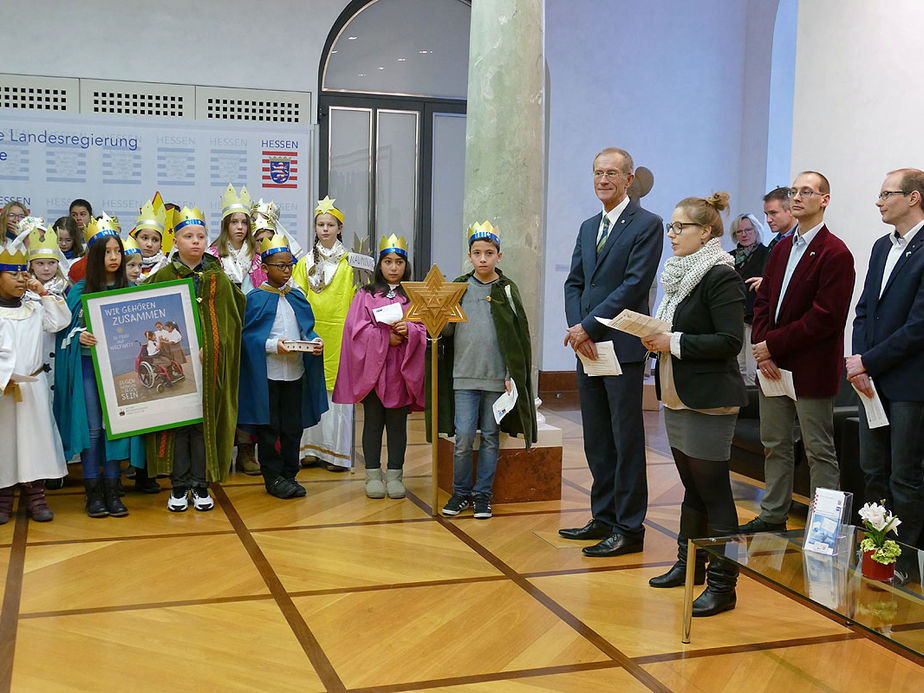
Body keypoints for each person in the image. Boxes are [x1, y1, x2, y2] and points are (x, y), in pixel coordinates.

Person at [641, 193, 747, 616]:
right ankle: (690, 566)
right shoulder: (678, 276)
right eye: (670, 226)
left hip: (709, 401)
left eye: (679, 227)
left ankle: (725, 586)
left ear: (705, 231)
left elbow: (729, 342)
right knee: (693, 489)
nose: (671, 234)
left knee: (716, 493)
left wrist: (673, 341)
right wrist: (654, 337)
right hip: (677, 394)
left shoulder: (721, 275)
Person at [559, 147, 663, 556]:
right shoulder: (588, 227)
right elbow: (574, 283)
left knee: (626, 439)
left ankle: (629, 527)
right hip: (588, 348)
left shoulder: (647, 225)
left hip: (621, 346)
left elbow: (634, 285)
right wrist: (577, 328)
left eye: (611, 173)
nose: (603, 180)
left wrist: (586, 325)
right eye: (598, 173)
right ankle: (602, 517)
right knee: (597, 438)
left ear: (628, 178)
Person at [739, 172, 855, 533]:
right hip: (772, 365)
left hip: (810, 367)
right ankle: (774, 513)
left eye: (807, 191)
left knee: (819, 450)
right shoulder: (781, 248)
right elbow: (764, 301)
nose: (797, 197)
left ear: (825, 200)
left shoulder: (836, 252)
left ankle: (825, 527)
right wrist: (763, 349)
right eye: (794, 191)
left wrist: (772, 344)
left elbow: (825, 318)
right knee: (774, 442)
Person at [145, 206, 245, 512]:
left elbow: (232, 318)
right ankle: (179, 485)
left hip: (208, 368)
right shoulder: (163, 276)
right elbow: (151, 319)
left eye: (201, 236)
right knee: (179, 425)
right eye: (188, 236)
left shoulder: (218, 276)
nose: (196, 242)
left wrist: (214, 347)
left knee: (203, 425)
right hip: (177, 366)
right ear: (175, 242)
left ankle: (201, 485)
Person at [437, 221, 536, 520]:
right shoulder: (459, 286)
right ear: (469, 255)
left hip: (496, 379)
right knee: (465, 437)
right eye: (477, 253)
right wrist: (442, 321)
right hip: (463, 376)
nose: (483, 259)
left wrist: (510, 374)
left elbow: (517, 337)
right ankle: (460, 493)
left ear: (499, 256)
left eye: (489, 253)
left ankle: (483, 496)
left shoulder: (507, 290)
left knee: (490, 436)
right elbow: (447, 335)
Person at [848, 168, 924, 550]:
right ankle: (874, 549)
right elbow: (864, 311)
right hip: (871, 379)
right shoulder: (881, 246)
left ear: (913, 198)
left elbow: (919, 325)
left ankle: (906, 559)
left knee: (905, 476)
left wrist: (869, 362)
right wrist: (858, 359)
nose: (878, 201)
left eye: (886, 194)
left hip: (910, 382)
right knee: (872, 471)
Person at [333, 234, 426, 499]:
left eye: (398, 262)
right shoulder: (365, 294)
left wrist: (409, 330)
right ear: (380, 265)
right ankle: (372, 474)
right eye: (388, 261)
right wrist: (386, 337)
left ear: (406, 265)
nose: (393, 267)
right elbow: (354, 330)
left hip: (400, 372)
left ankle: (396, 473)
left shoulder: (413, 297)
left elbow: (424, 328)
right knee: (373, 424)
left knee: (398, 427)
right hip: (373, 372)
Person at [54, 214, 135, 517]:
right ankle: (93, 492)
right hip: (89, 368)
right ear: (94, 255)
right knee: (92, 431)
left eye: (117, 251)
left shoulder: (132, 289)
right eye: (107, 252)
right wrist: (80, 335)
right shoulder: (78, 291)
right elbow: (64, 335)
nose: (114, 257)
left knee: (115, 427)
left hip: (118, 369)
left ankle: (113, 489)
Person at [238, 234, 327, 499]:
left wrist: (314, 341)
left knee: (292, 428)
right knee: (270, 429)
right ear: (265, 268)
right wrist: (274, 345)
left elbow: (306, 328)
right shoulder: (254, 298)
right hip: (269, 376)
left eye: (289, 265)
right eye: (280, 265)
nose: (287, 270)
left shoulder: (297, 296)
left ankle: (290, 474)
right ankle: (273, 477)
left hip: (295, 374)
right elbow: (249, 337)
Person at [0, 232, 70, 524]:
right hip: (4, 390)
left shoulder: (34, 305)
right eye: (11, 274)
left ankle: (36, 497)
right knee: (5, 444)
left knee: (35, 442)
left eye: (22, 273)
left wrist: (42, 292)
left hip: (33, 387)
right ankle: (3, 499)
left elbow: (59, 321)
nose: (19, 279)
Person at [292, 197, 356, 472]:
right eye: (321, 224)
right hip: (312, 333)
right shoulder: (305, 262)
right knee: (310, 387)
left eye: (330, 224)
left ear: (340, 228)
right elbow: (296, 296)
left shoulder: (351, 262)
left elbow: (359, 297)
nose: (325, 229)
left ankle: (335, 453)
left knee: (338, 392)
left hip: (342, 335)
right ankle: (309, 450)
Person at [730, 213, 770, 382]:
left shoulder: (766, 253)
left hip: (755, 317)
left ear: (756, 230)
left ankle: (751, 405)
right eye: (739, 231)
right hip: (734, 316)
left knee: (752, 367)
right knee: (738, 365)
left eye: (748, 230)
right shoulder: (730, 257)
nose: (744, 234)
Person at [210, 184, 261, 293]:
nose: (240, 227)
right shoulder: (211, 256)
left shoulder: (257, 258)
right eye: (234, 222)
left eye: (244, 223)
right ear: (226, 225)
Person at [131, 195, 170, 279]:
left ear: (160, 244)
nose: (149, 244)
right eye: (144, 238)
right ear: (135, 238)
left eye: (155, 240)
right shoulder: (122, 267)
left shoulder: (168, 269)